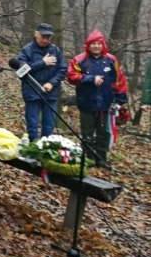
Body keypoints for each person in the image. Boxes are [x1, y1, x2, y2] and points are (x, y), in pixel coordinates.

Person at [67, 30, 127, 164]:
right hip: (86, 103)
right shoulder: (79, 60)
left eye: (98, 44)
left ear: (103, 45)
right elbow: (71, 77)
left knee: (103, 133)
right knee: (87, 132)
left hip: (106, 104)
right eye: (93, 44)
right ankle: (88, 159)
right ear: (88, 45)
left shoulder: (111, 60)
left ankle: (101, 159)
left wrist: (120, 100)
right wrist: (89, 79)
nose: (96, 46)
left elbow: (119, 80)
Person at [16, 23, 67, 140]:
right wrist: (43, 63)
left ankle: (44, 150)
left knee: (48, 126)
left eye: (48, 37)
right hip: (32, 92)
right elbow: (21, 71)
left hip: (50, 93)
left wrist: (52, 83)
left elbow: (63, 69)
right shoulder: (26, 50)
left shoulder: (55, 50)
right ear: (35, 34)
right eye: (43, 36)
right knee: (32, 126)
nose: (45, 40)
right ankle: (32, 150)